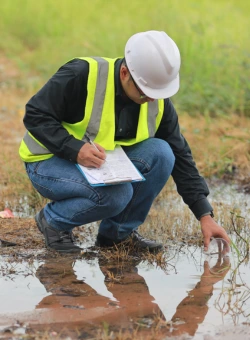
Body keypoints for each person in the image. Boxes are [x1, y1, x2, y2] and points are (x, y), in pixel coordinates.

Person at [19, 30, 230, 253]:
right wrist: (75, 148)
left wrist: (205, 215)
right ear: (124, 72)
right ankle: (53, 220)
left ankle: (117, 235)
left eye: (156, 93)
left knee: (162, 153)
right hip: (49, 162)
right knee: (117, 195)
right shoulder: (81, 74)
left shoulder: (156, 100)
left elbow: (180, 155)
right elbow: (35, 114)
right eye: (145, 92)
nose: (150, 99)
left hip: (99, 164)